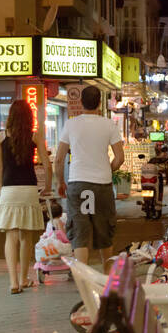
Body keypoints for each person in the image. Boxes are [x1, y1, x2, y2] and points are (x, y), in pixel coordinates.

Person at [54, 86, 124, 265]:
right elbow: (119, 158)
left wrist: (60, 182)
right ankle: (107, 280)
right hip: (102, 185)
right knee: (104, 233)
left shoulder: (71, 124)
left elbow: (59, 159)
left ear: (80, 102)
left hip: (78, 183)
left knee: (79, 233)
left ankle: (82, 279)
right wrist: (108, 169)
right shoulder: (109, 125)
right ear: (100, 103)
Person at [0, 99, 53, 293]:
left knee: (11, 236)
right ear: (29, 118)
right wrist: (48, 186)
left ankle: (13, 282)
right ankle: (23, 278)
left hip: (9, 190)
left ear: (10, 117)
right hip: (28, 189)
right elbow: (46, 163)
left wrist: (2, 187)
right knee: (26, 236)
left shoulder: (1, 137)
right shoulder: (34, 137)